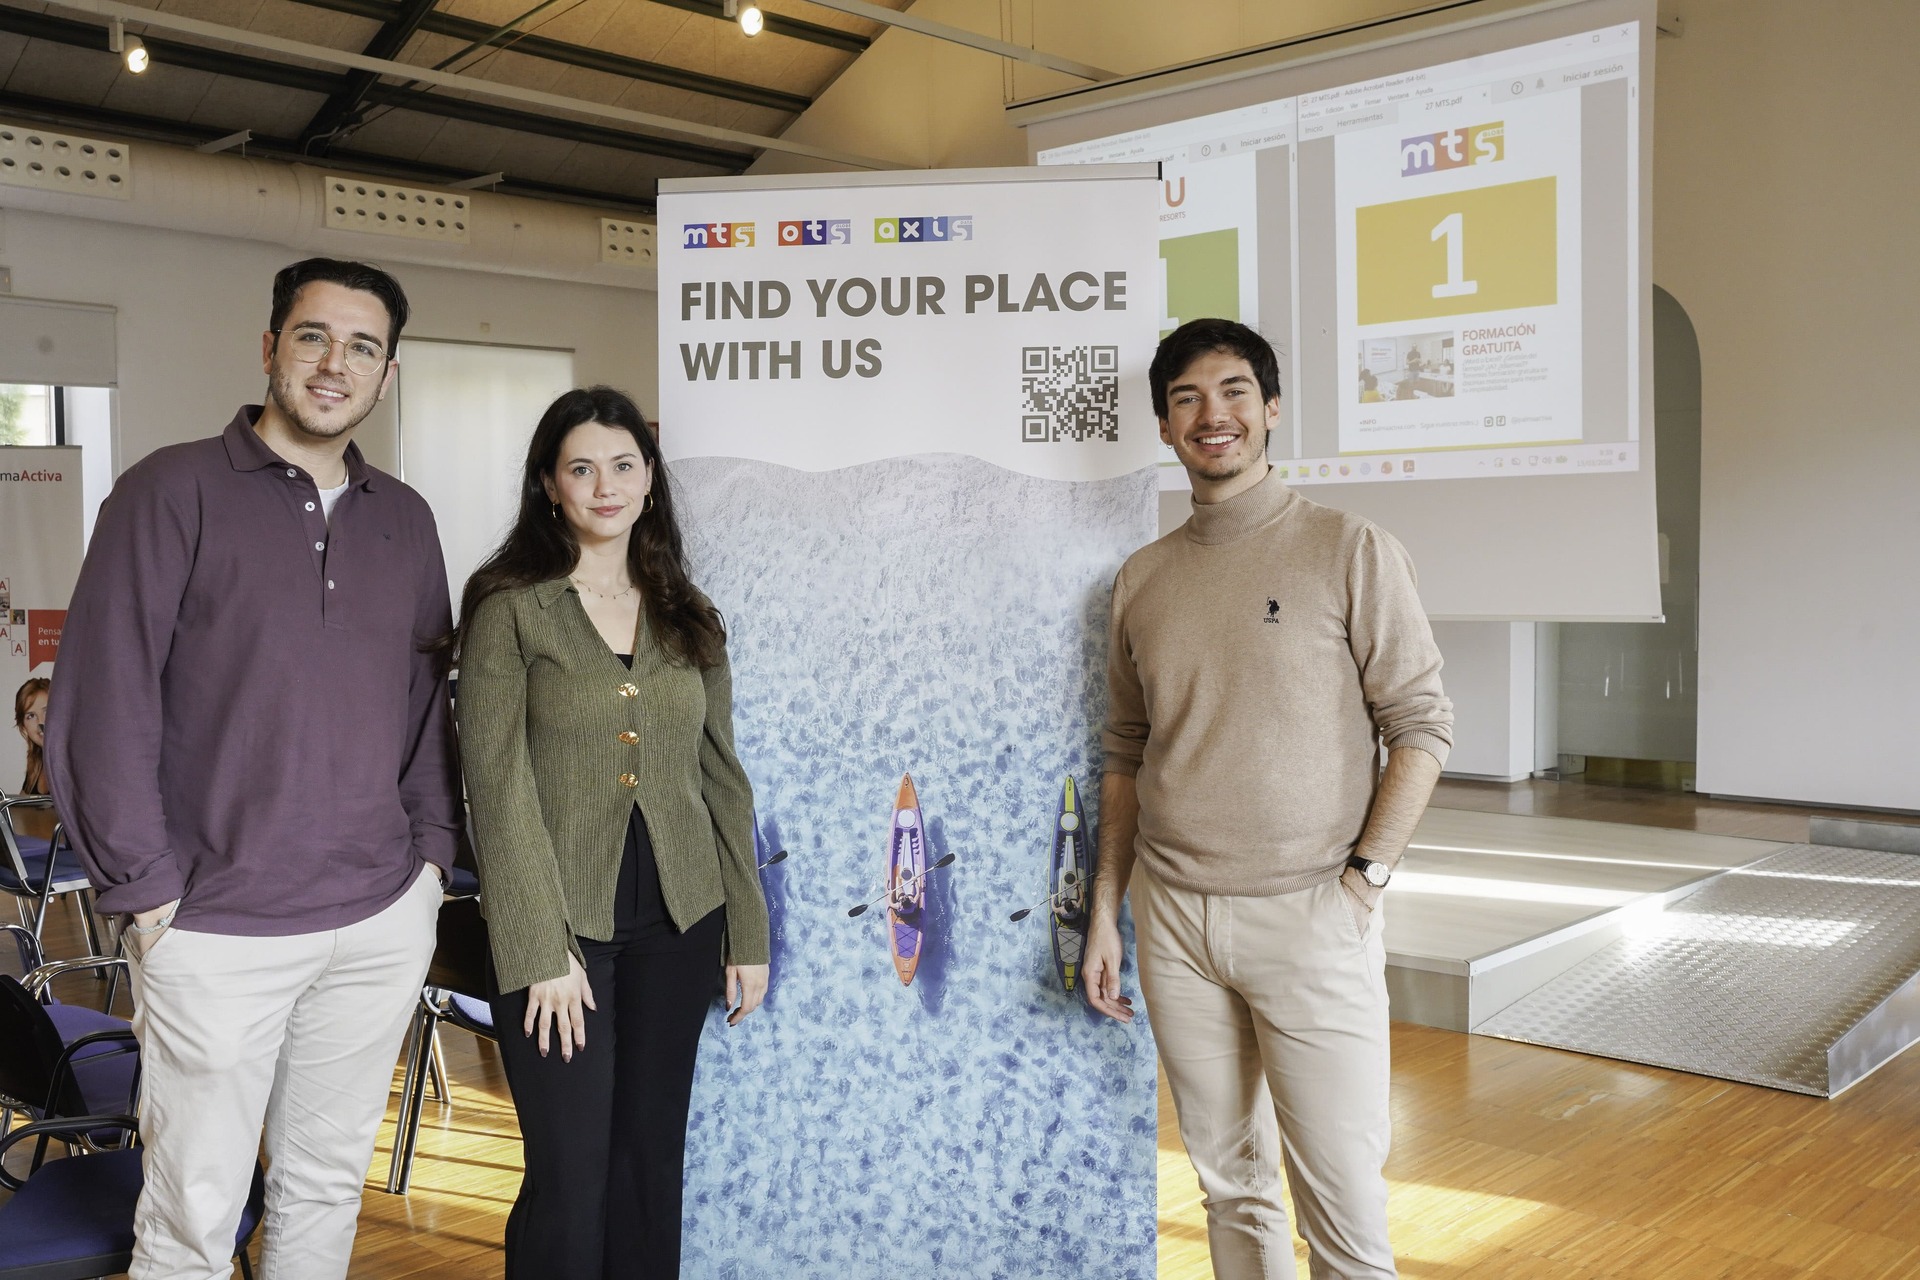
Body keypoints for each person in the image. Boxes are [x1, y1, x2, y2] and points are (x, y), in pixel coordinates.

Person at [45, 258, 461, 1280]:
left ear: (388, 374)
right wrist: (148, 894)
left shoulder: (406, 518)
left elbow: (425, 708)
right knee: (193, 1216)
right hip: (215, 927)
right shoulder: (169, 489)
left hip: (377, 917)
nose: (334, 364)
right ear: (270, 346)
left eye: (362, 347)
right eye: (313, 336)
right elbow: (103, 700)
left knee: (324, 1188)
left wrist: (429, 864)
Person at [1083, 318, 1453, 1280]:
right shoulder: (1143, 578)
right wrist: (1108, 910)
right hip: (1174, 921)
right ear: (1164, 426)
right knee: (1231, 1191)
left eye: (1234, 391)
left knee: (1344, 1211)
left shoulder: (1349, 549)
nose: (1213, 415)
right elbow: (1125, 752)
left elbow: (1421, 726)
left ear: (1272, 408)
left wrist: (1364, 882)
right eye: (1187, 398)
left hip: (1312, 913)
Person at [452, 385, 770, 1280]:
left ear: (650, 478)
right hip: (559, 931)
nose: (605, 487)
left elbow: (722, 775)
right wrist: (539, 947)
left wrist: (748, 931)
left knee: (647, 1164)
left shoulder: (687, 610)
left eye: (623, 465)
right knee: (570, 1173)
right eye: (582, 468)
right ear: (549, 485)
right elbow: (495, 786)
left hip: (682, 921)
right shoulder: (509, 609)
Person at [13, 676, 49, 795]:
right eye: (31, 716)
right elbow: (19, 805)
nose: (41, 722)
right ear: (24, 726)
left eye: (47, 711)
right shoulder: (35, 766)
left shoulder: (80, 763)